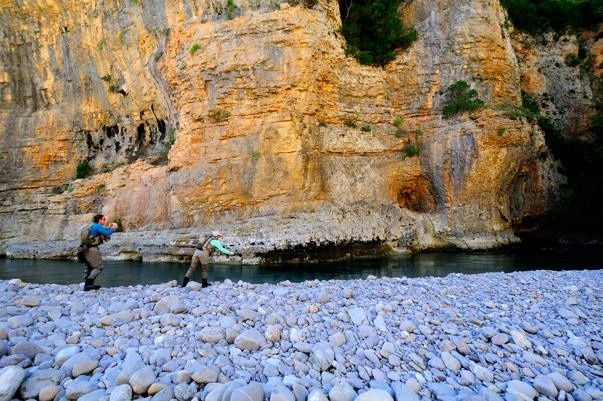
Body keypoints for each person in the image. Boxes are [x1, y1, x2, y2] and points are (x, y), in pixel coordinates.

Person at [80, 214, 117, 291]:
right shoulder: (97, 226)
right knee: (98, 267)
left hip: (84, 249)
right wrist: (113, 228)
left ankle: (87, 285)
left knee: (90, 267)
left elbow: (103, 231)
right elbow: (107, 233)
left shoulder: (92, 225)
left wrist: (109, 228)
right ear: (99, 220)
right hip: (92, 249)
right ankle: (89, 284)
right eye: (103, 219)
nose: (104, 220)